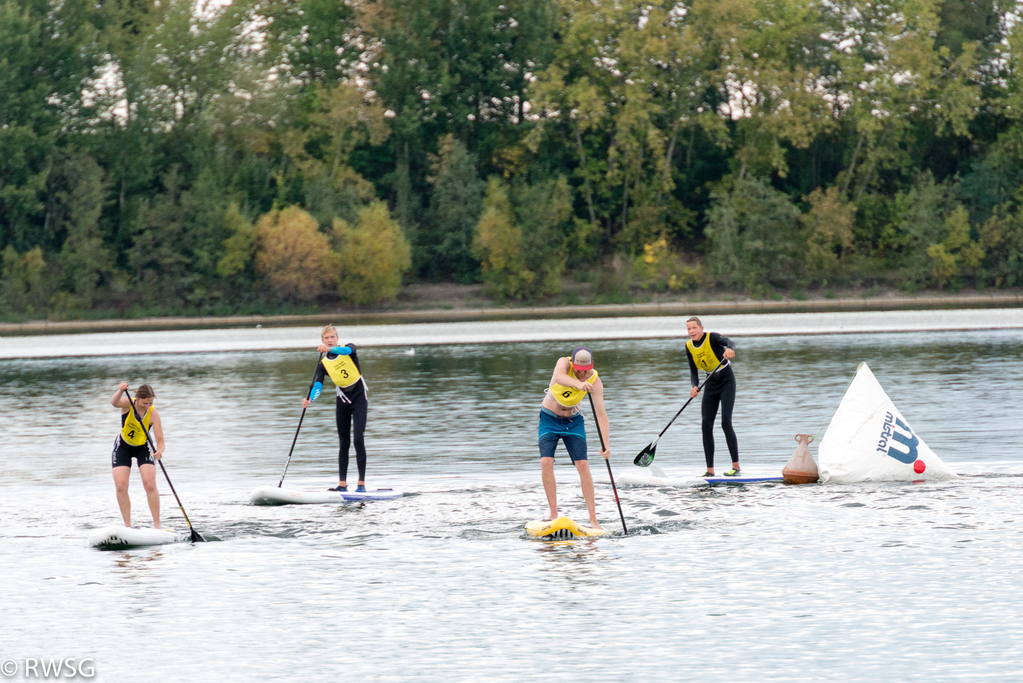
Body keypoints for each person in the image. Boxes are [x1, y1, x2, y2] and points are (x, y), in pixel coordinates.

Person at [538, 346, 610, 529]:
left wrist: (606, 444)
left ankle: (593, 520)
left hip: (573, 421)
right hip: (549, 418)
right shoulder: (563, 363)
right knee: (546, 462)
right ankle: (553, 514)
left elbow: (601, 414)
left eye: (585, 371)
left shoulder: (595, 380)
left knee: (583, 465)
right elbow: (560, 378)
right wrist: (579, 385)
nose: (582, 374)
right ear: (573, 363)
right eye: (579, 370)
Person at [302, 324, 369, 492]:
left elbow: (344, 352)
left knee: (358, 439)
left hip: (359, 398)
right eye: (326, 338)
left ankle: (361, 484)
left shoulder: (349, 348)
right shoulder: (323, 363)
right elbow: (318, 384)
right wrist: (310, 398)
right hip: (343, 400)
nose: (330, 340)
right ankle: (342, 485)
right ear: (322, 340)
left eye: (332, 337)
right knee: (343, 442)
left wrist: (331, 350)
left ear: (337, 339)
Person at [684, 316, 739, 477]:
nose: (692, 331)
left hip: (726, 381)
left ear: (701, 328)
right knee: (706, 425)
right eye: (689, 329)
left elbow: (731, 342)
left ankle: (736, 467)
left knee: (725, 422)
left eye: (694, 328)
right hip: (710, 384)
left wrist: (730, 349)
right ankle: (710, 470)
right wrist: (694, 386)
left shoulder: (712, 337)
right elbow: (693, 371)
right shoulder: (688, 346)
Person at [110, 382, 164, 528]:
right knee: (121, 486)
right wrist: (120, 391)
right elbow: (114, 403)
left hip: (142, 448)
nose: (147, 406)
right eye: (145, 403)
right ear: (137, 398)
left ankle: (157, 525)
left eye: (150, 403)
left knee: (150, 485)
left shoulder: (153, 413)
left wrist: (159, 452)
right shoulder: (129, 403)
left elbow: (160, 441)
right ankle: (127, 525)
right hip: (123, 447)